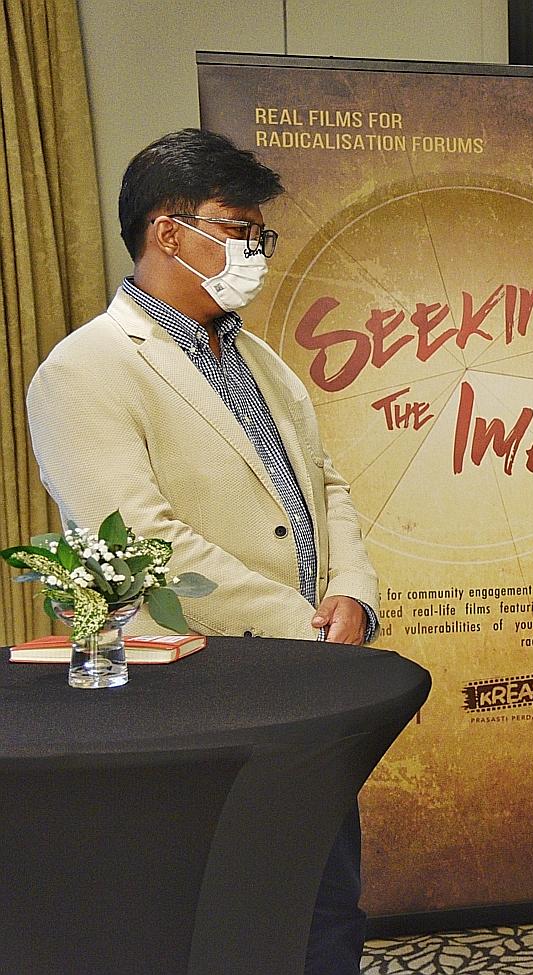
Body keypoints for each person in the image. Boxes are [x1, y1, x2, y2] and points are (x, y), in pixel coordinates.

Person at [27, 128, 380, 975]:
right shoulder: (85, 370)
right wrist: (302, 621)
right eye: (236, 228)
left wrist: (354, 592)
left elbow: (326, 486)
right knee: (229, 924)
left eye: (261, 233)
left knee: (328, 909)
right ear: (167, 232)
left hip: (312, 683)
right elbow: (144, 540)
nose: (253, 250)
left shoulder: (256, 354)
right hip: (202, 696)